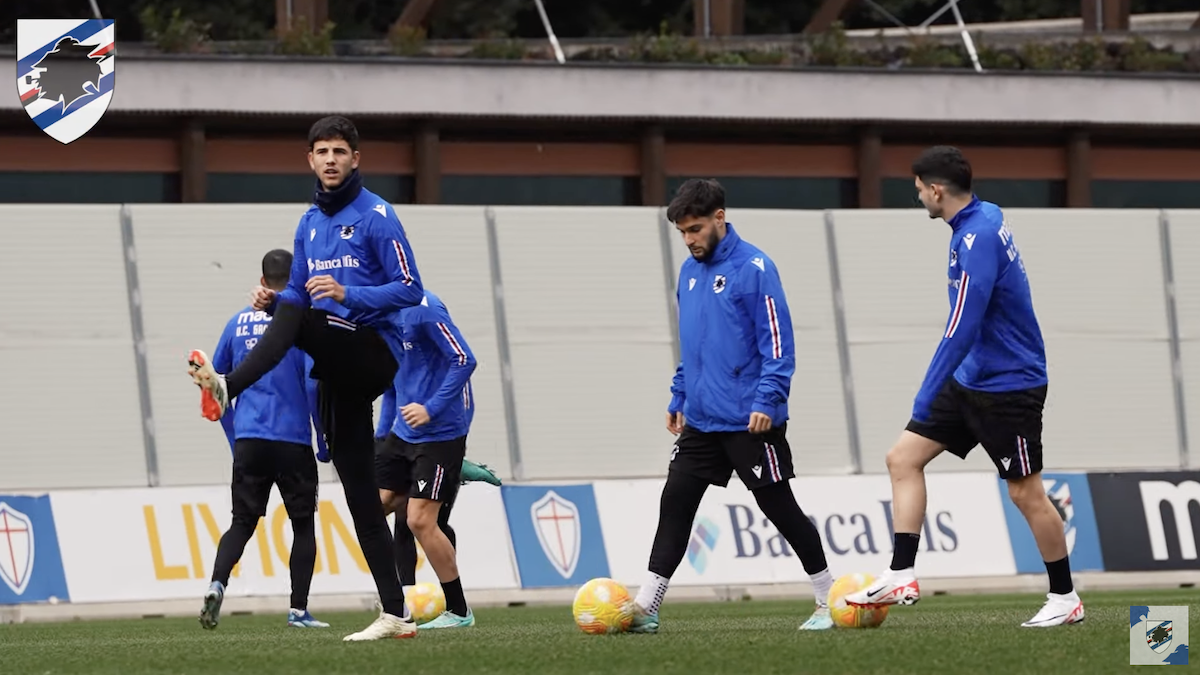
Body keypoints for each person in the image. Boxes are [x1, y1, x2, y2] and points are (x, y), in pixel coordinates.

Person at [187, 115, 425, 641]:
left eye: (341, 151)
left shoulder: (379, 217)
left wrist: (348, 294)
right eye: (322, 151)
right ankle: (396, 614)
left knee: (299, 316)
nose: (332, 159)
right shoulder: (308, 224)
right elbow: (297, 298)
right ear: (310, 160)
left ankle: (230, 384)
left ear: (356, 158)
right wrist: (274, 303)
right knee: (362, 495)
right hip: (334, 363)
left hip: (373, 350)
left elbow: (411, 290)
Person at [844, 146, 1084, 628]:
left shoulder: (977, 236)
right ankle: (901, 573)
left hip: (1009, 386)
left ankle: (1065, 597)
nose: (918, 199)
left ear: (936, 190)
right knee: (903, 459)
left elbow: (961, 327)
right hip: (971, 378)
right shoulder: (982, 215)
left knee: (1025, 493)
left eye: (918, 191)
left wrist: (925, 392)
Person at [630, 179, 836, 634]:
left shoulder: (754, 267)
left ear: (720, 218)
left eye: (696, 229)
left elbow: (778, 344)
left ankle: (827, 597)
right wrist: (680, 393)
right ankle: (647, 606)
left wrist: (769, 399)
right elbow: (694, 345)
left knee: (779, 507)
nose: (689, 239)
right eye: (682, 232)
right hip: (702, 419)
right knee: (676, 501)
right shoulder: (688, 272)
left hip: (750, 419)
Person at [200, 249, 330, 631]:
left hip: (250, 439)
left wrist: (234, 436)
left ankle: (216, 584)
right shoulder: (296, 324)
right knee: (303, 525)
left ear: (261, 282)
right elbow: (311, 383)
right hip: (292, 441)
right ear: (293, 283)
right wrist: (322, 437)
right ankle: (298, 611)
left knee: (241, 522)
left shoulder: (236, 324)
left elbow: (215, 387)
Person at [374, 290, 479, 629]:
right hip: (402, 433)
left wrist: (430, 409)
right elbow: (392, 384)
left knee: (419, 520)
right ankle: (395, 604)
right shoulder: (375, 314)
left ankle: (460, 611)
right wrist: (380, 439)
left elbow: (464, 360)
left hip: (441, 432)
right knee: (372, 510)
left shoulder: (424, 309)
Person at [375, 387, 501, 606]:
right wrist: (381, 437)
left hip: (439, 444)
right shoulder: (398, 356)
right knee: (403, 520)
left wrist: (458, 444)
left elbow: (464, 391)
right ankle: (407, 592)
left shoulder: (445, 359)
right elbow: (390, 393)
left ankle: (451, 594)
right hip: (399, 441)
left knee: (432, 523)